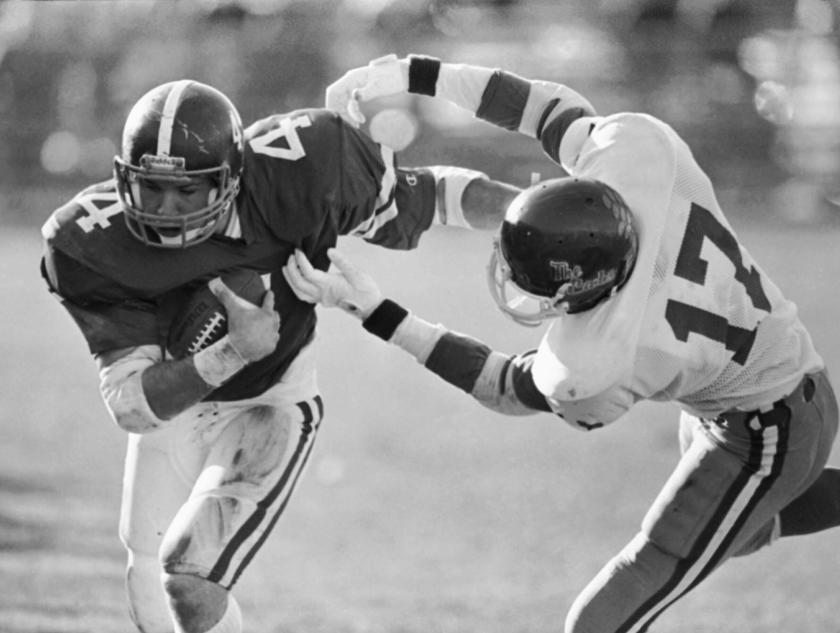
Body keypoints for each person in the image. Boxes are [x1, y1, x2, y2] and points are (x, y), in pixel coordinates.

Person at [285, 54, 840, 632]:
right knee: (735, 532)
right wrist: (412, 73)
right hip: (764, 382)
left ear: (582, 287)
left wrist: (374, 310)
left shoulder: (599, 360)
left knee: (616, 602)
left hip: (767, 427)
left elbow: (503, 386)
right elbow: (533, 104)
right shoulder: (639, 159)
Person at [39, 77, 522, 633]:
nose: (166, 210)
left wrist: (530, 214)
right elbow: (132, 404)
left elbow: (430, 195)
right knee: (146, 576)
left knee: (188, 577)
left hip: (271, 398)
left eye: (188, 191)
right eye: (151, 189)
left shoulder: (306, 169)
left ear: (233, 178)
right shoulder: (87, 242)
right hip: (177, 403)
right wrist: (230, 351)